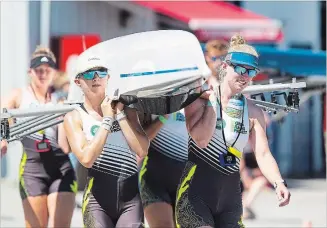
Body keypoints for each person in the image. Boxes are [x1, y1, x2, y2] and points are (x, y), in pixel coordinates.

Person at [175, 34, 291, 228]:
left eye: (251, 71)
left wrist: (279, 182)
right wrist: (214, 103)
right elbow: (201, 139)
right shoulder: (200, 100)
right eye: (239, 68)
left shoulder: (253, 111)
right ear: (224, 67)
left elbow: (262, 153)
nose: (244, 75)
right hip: (194, 198)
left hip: (230, 201)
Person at [138, 39, 229, 227]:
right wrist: (164, 116)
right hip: (155, 177)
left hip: (191, 177)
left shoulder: (203, 93)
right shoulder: (154, 95)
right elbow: (141, 143)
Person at [63, 55, 149, 227]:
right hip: (97, 203)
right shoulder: (74, 117)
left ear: (108, 77)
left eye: (100, 72)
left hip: (131, 201)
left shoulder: (126, 109)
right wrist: (107, 121)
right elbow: (87, 159)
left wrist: (120, 115)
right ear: (78, 81)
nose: (95, 77)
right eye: (88, 73)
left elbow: (142, 150)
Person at [0, 46, 76, 227]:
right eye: (38, 71)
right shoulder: (19, 95)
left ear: (54, 72)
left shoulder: (61, 98)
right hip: (33, 171)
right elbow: (3, 114)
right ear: (30, 72)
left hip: (62, 169)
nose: (43, 74)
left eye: (47, 70)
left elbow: (67, 144)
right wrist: (3, 138)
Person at [240, 112, 271, 220]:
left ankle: (246, 206)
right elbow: (241, 164)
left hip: (249, 171)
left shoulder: (258, 143)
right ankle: (244, 208)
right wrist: (245, 176)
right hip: (240, 170)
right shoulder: (243, 141)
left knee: (261, 180)